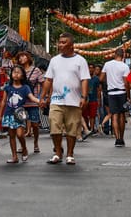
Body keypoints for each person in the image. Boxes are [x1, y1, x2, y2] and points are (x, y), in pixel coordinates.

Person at [40, 32, 90, 165]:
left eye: (64, 43)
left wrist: (84, 96)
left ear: (72, 45)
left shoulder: (80, 61)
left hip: (74, 101)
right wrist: (43, 97)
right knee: (54, 127)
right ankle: (57, 152)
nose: (60, 45)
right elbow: (48, 79)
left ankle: (70, 154)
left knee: (71, 129)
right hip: (56, 100)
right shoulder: (54, 60)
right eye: (60, 42)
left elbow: (84, 80)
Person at [1, 65, 41, 163]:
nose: (16, 74)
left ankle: (24, 148)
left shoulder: (25, 87)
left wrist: (40, 102)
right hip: (9, 113)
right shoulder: (8, 87)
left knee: (20, 134)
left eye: (18, 72)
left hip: (20, 113)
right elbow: (3, 101)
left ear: (23, 76)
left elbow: (32, 97)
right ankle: (14, 156)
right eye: (14, 72)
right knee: (11, 135)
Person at [100, 48, 130, 147]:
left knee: (114, 115)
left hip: (111, 93)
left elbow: (101, 78)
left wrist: (109, 82)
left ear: (114, 54)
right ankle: (121, 138)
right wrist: (128, 95)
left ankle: (117, 139)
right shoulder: (125, 66)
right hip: (121, 92)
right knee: (122, 115)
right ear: (123, 55)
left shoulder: (107, 64)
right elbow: (126, 83)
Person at [15, 51, 44, 153]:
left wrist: (41, 97)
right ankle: (22, 145)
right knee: (20, 125)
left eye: (23, 56)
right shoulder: (17, 70)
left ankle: (36, 142)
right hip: (20, 102)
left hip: (33, 101)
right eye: (19, 57)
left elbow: (43, 83)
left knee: (35, 124)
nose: (21, 58)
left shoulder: (36, 70)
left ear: (28, 58)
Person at [83, 64, 100, 137]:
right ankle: (86, 128)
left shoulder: (96, 79)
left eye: (92, 68)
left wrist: (99, 99)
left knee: (92, 115)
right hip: (85, 99)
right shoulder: (85, 78)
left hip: (93, 99)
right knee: (85, 115)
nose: (90, 69)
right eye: (89, 68)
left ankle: (92, 129)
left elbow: (98, 89)